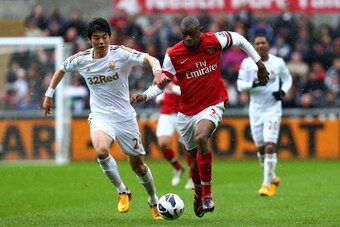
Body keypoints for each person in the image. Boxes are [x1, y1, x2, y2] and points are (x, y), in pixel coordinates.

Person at [130, 16, 269, 218]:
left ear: (200, 31)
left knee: (202, 136)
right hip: (186, 111)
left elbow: (239, 38)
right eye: (184, 35)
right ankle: (197, 194)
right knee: (194, 161)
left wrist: (259, 64)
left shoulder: (214, 40)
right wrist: (145, 95)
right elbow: (162, 84)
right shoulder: (174, 54)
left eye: (192, 34)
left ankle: (207, 195)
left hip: (213, 103)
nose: (188, 38)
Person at [42, 17, 167, 220]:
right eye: (96, 38)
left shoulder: (121, 54)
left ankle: (153, 200)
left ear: (110, 36)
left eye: (104, 37)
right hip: (101, 116)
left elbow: (149, 58)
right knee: (100, 150)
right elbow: (61, 70)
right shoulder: (81, 59)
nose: (101, 41)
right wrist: (49, 94)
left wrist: (157, 71)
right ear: (90, 39)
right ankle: (122, 190)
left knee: (139, 166)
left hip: (125, 117)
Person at [237, 34, 292, 196]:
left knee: (269, 146)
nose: (260, 45)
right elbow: (240, 85)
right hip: (255, 110)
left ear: (268, 45)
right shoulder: (247, 64)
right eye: (257, 43)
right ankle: (273, 177)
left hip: (273, 110)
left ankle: (266, 184)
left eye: (263, 43)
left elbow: (288, 79)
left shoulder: (278, 62)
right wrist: (254, 84)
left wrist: (282, 91)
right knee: (261, 149)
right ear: (253, 46)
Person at [155, 78, 194, 189]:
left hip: (183, 113)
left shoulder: (186, 72)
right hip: (167, 113)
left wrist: (173, 88)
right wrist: (160, 97)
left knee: (188, 147)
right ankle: (178, 168)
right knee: (162, 144)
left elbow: (189, 92)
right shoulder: (166, 73)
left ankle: (192, 177)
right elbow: (161, 89)